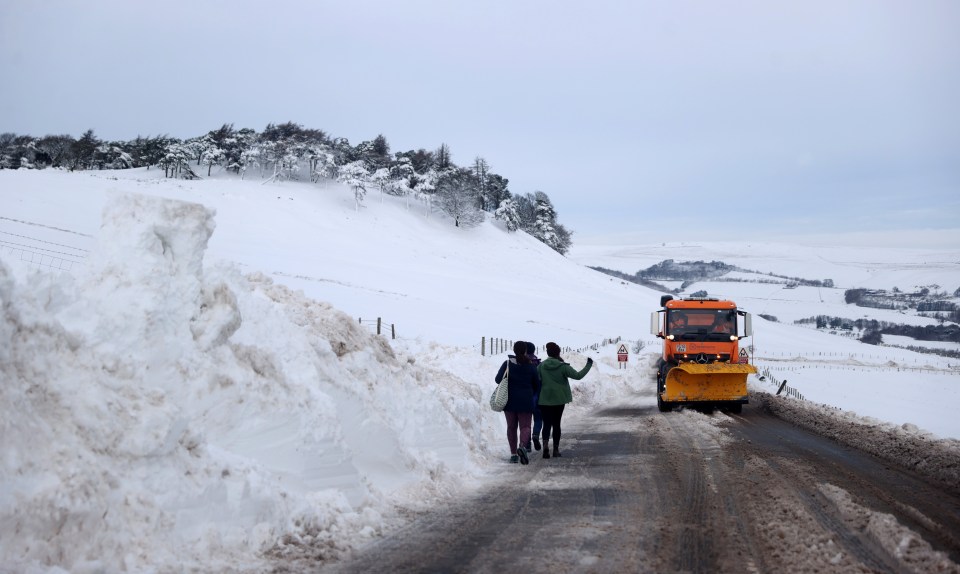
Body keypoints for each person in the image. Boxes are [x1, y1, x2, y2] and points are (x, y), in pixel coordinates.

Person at [537, 342, 593, 459]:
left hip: (544, 399)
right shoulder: (563, 366)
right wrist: (588, 365)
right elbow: (578, 376)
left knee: (546, 424)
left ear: (547, 353)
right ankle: (556, 450)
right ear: (558, 353)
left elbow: (536, 380)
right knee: (556, 424)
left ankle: (545, 446)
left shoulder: (541, 366)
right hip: (559, 399)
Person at [494, 341, 541, 465]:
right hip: (526, 401)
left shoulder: (507, 364)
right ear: (526, 351)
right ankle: (522, 447)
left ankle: (514, 455)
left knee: (511, 427)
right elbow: (537, 385)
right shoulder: (531, 366)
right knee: (525, 427)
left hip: (509, 401)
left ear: (514, 350)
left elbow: (498, 379)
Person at [525, 342, 543, 452]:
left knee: (525, 422)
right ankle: (536, 434)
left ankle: (527, 444)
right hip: (538, 396)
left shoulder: (522, 363)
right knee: (538, 418)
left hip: (525, 397)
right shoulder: (538, 363)